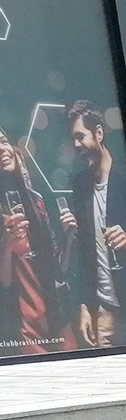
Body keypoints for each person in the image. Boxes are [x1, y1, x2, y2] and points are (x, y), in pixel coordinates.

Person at [60, 102, 126, 348]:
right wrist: (84, 306)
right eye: (72, 139)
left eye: (80, 136)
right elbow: (84, 254)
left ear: (99, 133)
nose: (76, 145)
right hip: (102, 311)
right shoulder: (81, 185)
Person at [0, 133, 68, 353]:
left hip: (57, 311)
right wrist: (8, 246)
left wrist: (69, 235)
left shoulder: (36, 199)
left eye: (2, 141)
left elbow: (57, 266)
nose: (2, 149)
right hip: (23, 319)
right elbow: (4, 284)